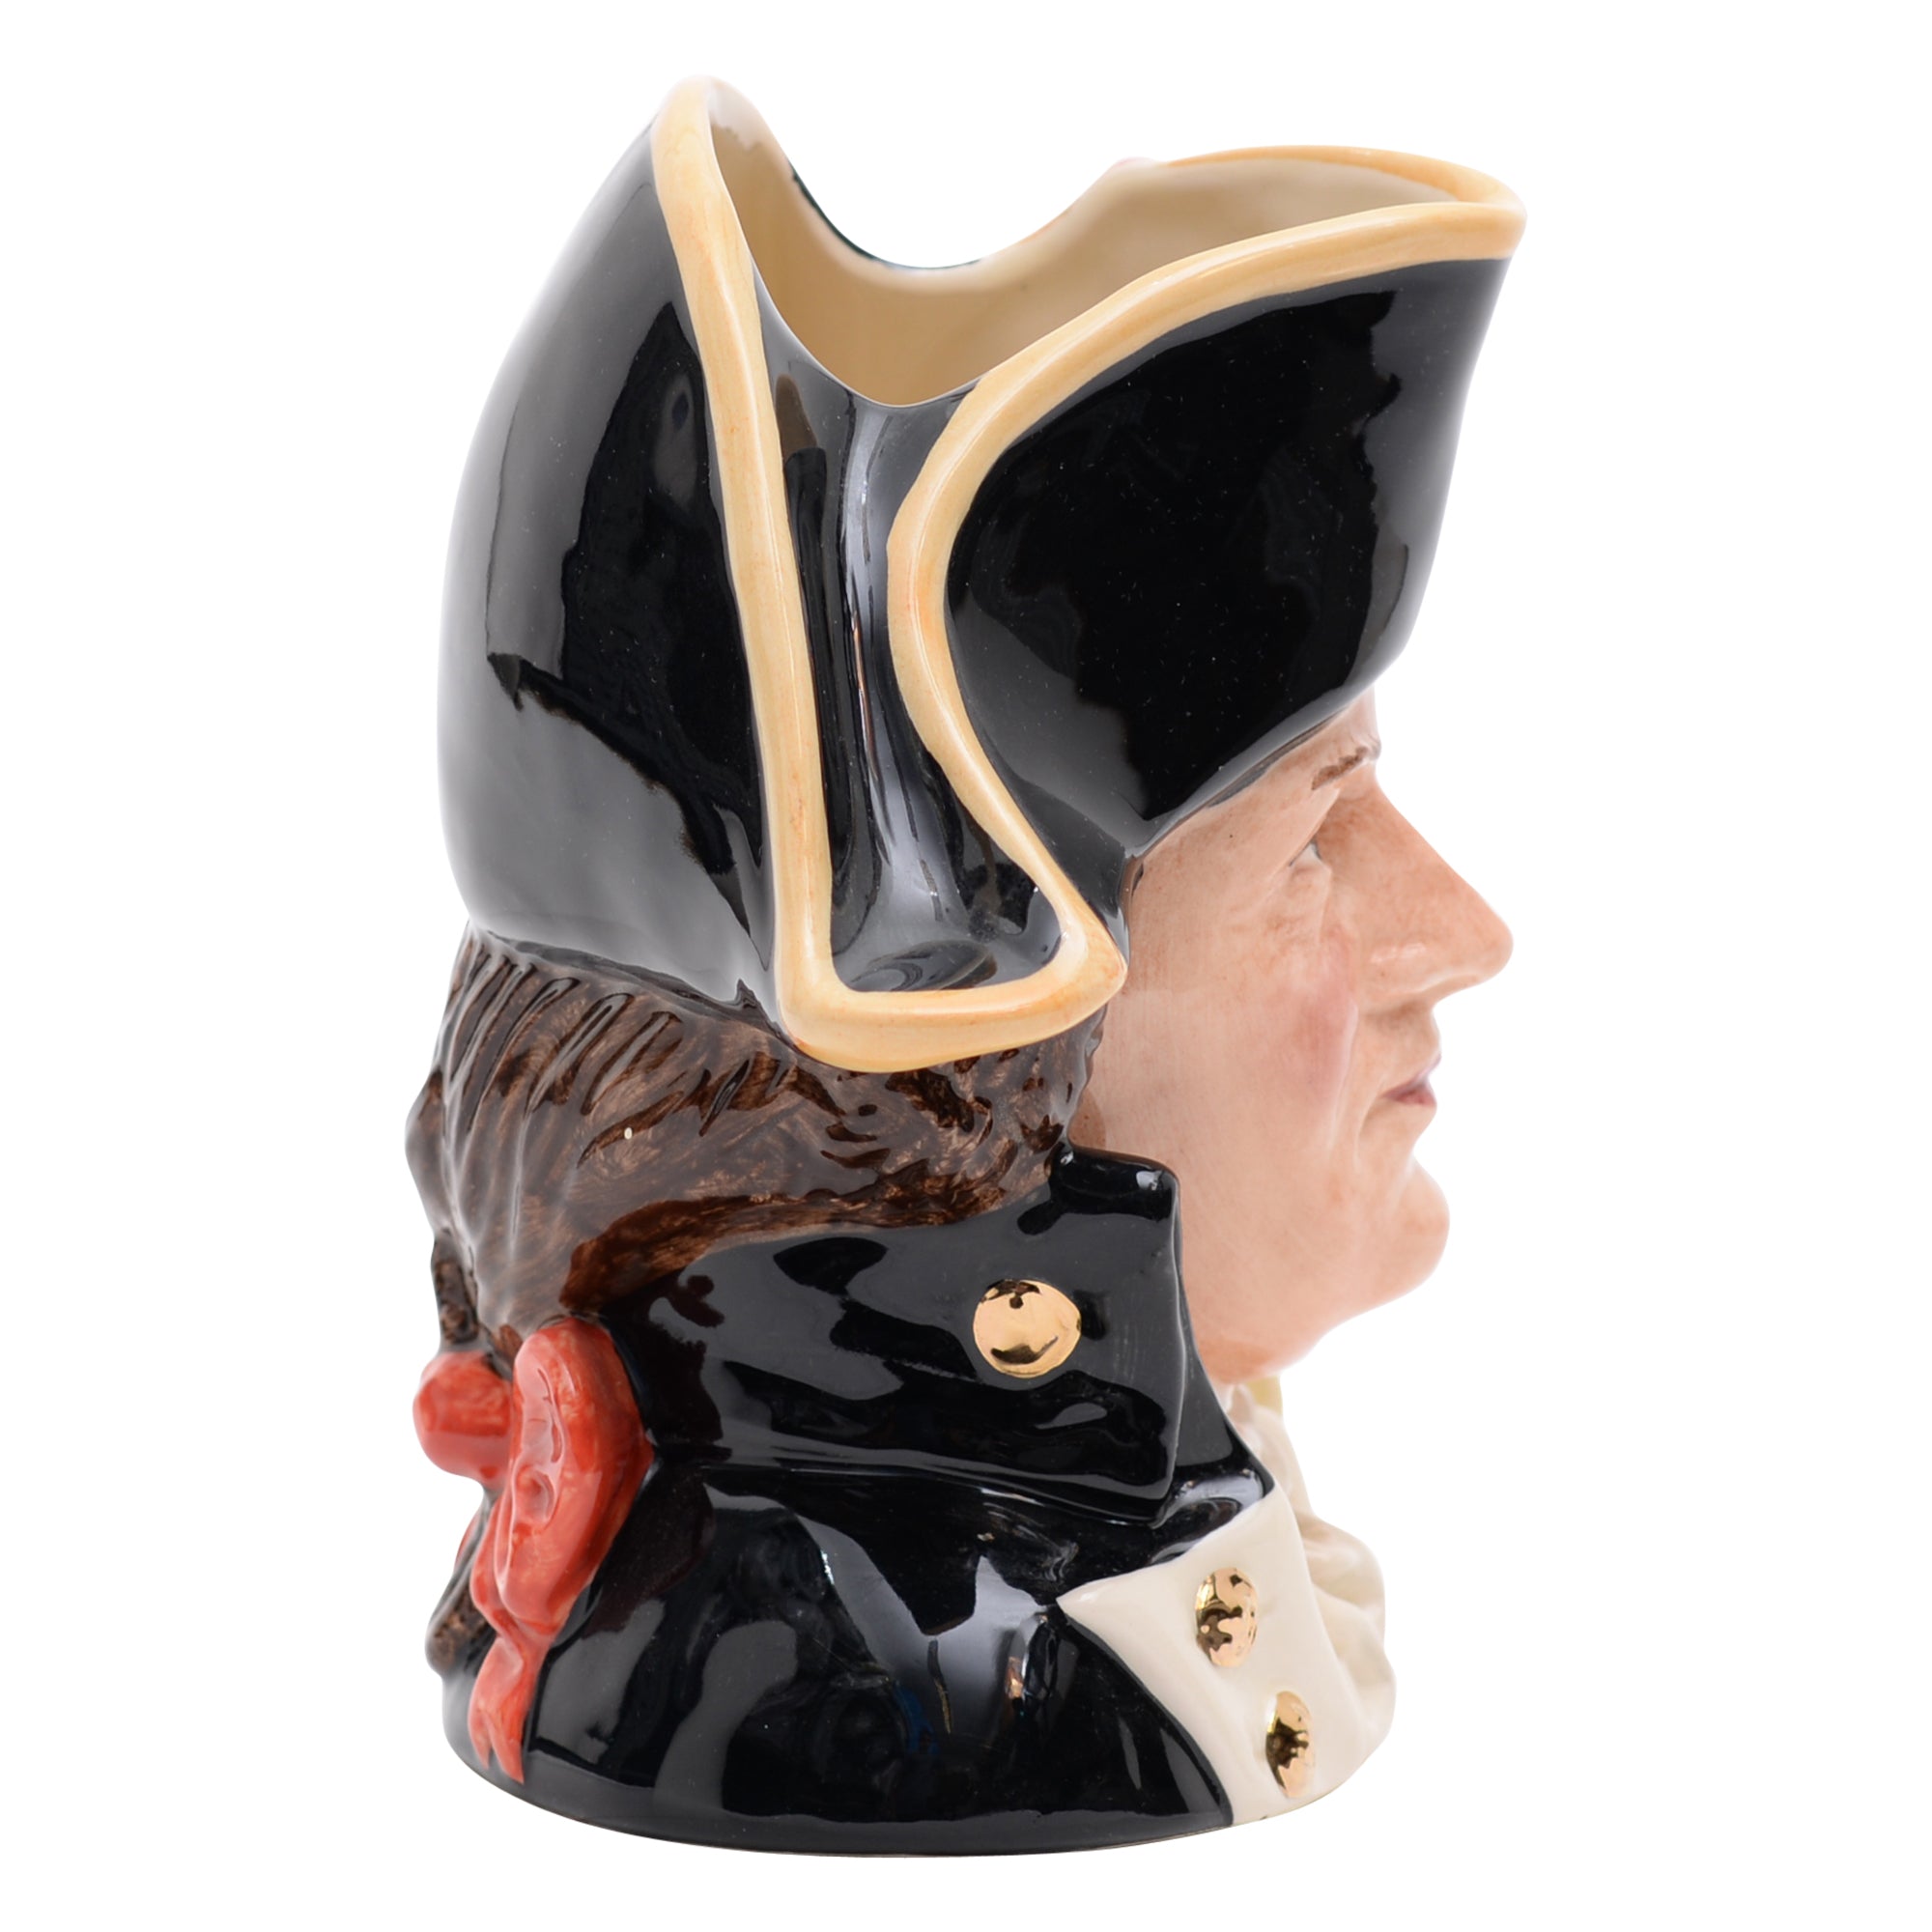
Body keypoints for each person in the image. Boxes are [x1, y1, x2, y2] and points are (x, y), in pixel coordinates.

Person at [410, 77, 1522, 1852]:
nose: (1466, 936)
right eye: (1317, 843)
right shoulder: (855, 1671)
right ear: (983, 1072)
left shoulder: (1184, 1533)